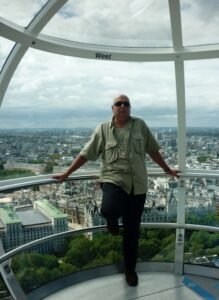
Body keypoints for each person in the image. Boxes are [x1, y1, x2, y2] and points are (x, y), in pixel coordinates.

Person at [52, 95, 180, 287]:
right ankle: (111, 220)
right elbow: (86, 154)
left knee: (132, 232)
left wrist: (167, 169)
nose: (122, 106)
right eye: (118, 104)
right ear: (112, 108)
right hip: (112, 178)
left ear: (130, 108)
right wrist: (67, 173)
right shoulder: (103, 129)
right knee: (109, 209)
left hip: (137, 184)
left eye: (126, 104)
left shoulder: (140, 125)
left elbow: (153, 150)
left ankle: (130, 270)